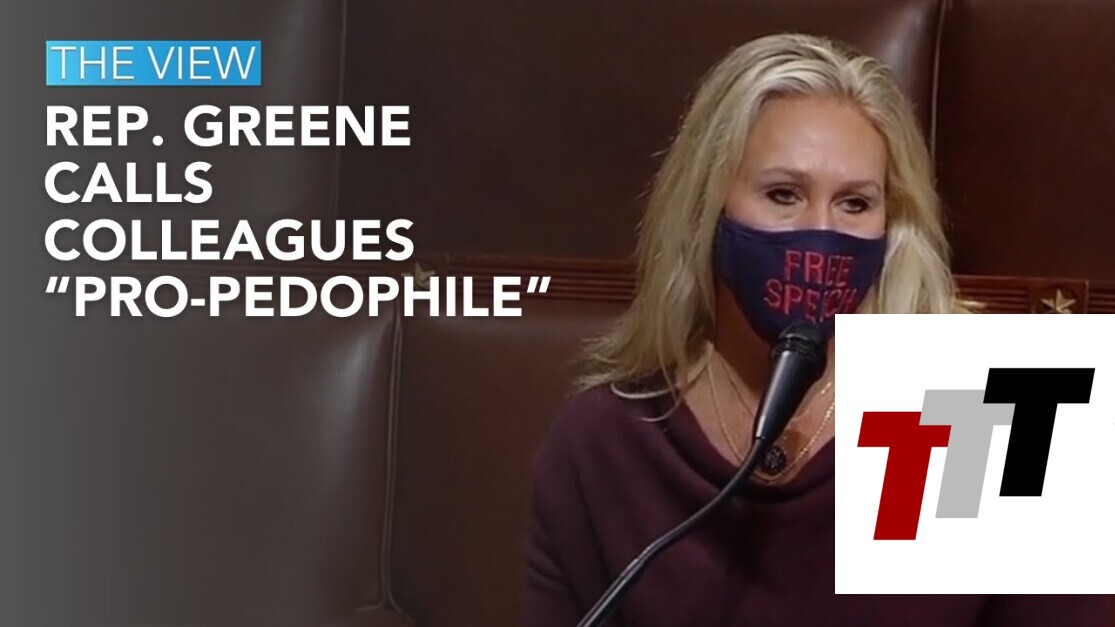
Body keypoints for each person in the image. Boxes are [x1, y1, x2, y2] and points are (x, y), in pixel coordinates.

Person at [523, 33, 1108, 626]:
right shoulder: (605, 442)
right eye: (784, 194)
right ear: (707, 209)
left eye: (855, 203)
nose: (820, 232)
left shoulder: (1000, 407)